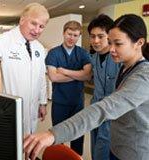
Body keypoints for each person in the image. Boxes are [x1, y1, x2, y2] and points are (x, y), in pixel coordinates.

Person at [24, 14, 149, 160]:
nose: (111, 48)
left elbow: (105, 106)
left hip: (134, 150)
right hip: (117, 143)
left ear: (139, 43)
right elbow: (56, 76)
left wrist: (52, 134)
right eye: (110, 42)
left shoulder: (143, 76)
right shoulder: (123, 66)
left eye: (118, 43)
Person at [0, 3, 49, 135]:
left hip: (32, 109)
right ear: (22, 19)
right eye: (34, 23)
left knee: (28, 144)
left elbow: (41, 77)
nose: (37, 30)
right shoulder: (3, 41)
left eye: (41, 26)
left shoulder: (39, 47)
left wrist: (43, 102)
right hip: (8, 110)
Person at [45, 20, 92, 155]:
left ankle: (76, 157)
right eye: (69, 34)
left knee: (77, 134)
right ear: (63, 33)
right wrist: (79, 75)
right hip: (60, 102)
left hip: (77, 102)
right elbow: (53, 77)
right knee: (58, 135)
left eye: (76, 35)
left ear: (79, 36)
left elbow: (88, 76)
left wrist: (64, 71)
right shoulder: (54, 53)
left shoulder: (83, 53)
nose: (72, 38)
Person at [88, 14, 120, 160]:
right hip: (95, 107)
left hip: (114, 112)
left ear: (110, 36)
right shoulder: (93, 58)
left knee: (104, 147)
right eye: (92, 36)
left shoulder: (119, 59)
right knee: (95, 145)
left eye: (100, 36)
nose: (96, 41)